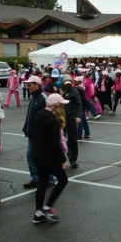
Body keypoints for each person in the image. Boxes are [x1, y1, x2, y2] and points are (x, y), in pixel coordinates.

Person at [31, 94, 70, 223]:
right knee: (63, 180)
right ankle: (47, 208)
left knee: (43, 182)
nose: (63, 106)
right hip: (47, 157)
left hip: (37, 154)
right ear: (57, 106)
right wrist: (62, 159)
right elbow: (54, 143)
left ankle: (38, 213)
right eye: (62, 104)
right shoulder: (52, 120)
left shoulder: (40, 115)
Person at [22, 76, 54, 189]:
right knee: (31, 156)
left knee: (43, 157)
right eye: (27, 85)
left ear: (37, 84)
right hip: (32, 133)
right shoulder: (34, 97)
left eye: (30, 85)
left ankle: (50, 179)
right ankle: (36, 178)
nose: (28, 87)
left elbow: (51, 116)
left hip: (41, 135)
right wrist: (26, 128)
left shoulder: (44, 97)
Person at [61, 79, 82, 167]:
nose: (67, 85)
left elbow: (78, 104)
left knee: (72, 139)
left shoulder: (74, 92)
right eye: (66, 84)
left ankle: (73, 158)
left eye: (69, 84)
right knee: (58, 139)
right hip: (60, 118)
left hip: (70, 118)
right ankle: (61, 159)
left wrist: (78, 116)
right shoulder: (59, 90)